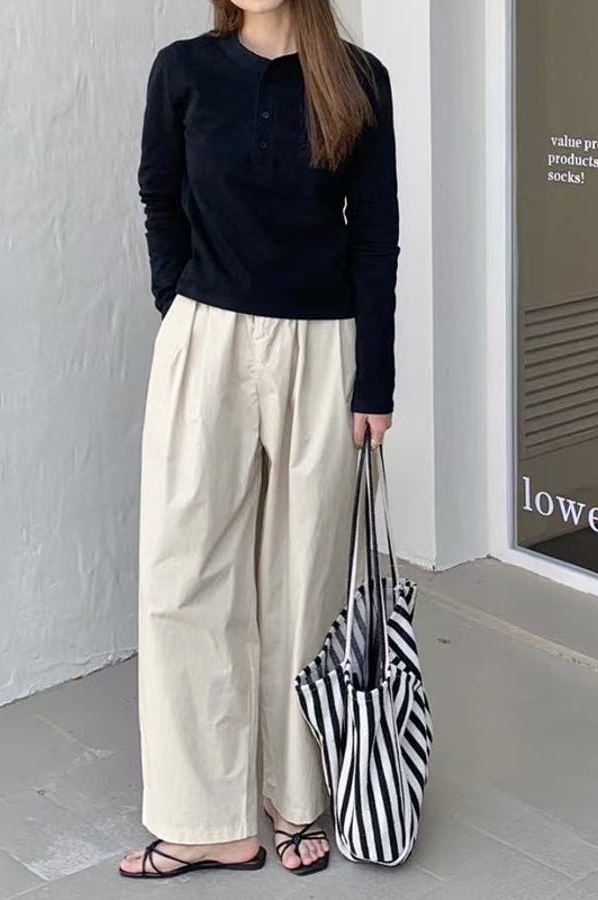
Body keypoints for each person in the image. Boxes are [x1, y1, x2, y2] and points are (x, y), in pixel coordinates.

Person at [119, 0, 399, 880]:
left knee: (306, 574)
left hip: (323, 347)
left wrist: (376, 380)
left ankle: (296, 792)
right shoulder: (184, 70)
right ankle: (204, 817)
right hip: (207, 337)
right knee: (183, 570)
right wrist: (181, 302)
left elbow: (376, 233)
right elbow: (159, 195)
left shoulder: (358, 79)